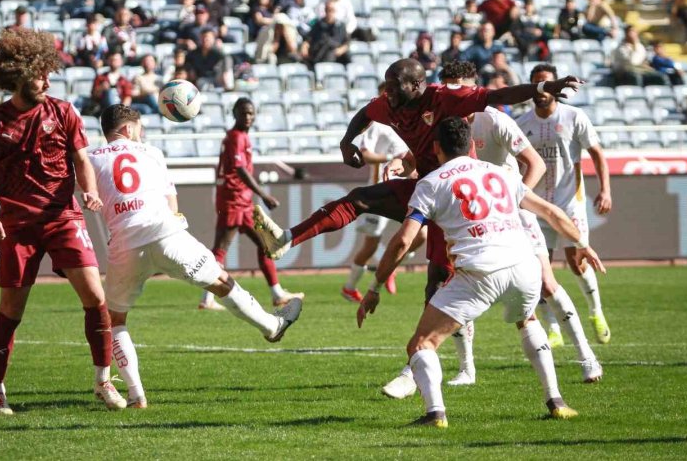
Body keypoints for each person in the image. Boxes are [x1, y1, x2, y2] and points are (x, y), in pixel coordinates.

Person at [252, 59, 583, 323]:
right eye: (387, 86)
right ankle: (287, 239)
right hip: (427, 189)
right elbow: (364, 114)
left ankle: (430, 358)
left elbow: (500, 95)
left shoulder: (443, 97)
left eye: (395, 86)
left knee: (437, 280)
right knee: (359, 198)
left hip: (456, 196)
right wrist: (345, 142)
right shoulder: (389, 105)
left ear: (417, 85)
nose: (389, 92)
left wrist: (544, 87)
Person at [358, 117, 605, 427]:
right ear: (472, 144)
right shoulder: (499, 174)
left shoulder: (431, 182)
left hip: (479, 273)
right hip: (524, 266)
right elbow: (550, 212)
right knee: (527, 320)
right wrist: (581, 243)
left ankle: (435, 413)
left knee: (421, 345)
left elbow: (403, 240)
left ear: (436, 148)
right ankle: (555, 399)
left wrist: (376, 286)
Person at [88, 105, 303, 405]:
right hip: (166, 234)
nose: (142, 133)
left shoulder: (88, 158)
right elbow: (171, 201)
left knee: (116, 319)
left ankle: (137, 394)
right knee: (221, 281)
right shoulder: (151, 153)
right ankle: (271, 326)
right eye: (139, 127)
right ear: (127, 129)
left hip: (124, 244)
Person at [0, 29, 125, 415]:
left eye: (48, 72)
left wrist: (89, 191)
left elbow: (82, 161)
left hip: (63, 218)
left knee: (96, 298)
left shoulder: (63, 112)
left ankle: (103, 382)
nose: (47, 80)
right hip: (19, 227)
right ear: (19, 74)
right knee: (10, 311)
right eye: (41, 73)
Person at [517, 63, 612, 344]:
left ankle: (596, 311)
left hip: (570, 202)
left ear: (556, 86)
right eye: (537, 84)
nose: (542, 89)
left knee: (576, 260)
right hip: (536, 206)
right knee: (537, 268)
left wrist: (605, 190)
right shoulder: (522, 124)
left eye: (547, 83)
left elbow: (596, 153)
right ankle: (553, 328)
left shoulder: (574, 117)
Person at [198, 98, 306, 310]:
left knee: (266, 244)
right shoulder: (236, 137)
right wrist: (264, 195)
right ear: (235, 114)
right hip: (233, 200)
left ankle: (277, 293)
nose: (247, 117)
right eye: (243, 113)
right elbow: (240, 169)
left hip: (241, 201)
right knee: (221, 249)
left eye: (251, 113)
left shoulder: (239, 136)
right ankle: (207, 298)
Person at [342, 84, 411, 303]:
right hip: (380, 190)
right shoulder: (376, 125)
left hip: (399, 187)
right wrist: (390, 158)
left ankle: (389, 267)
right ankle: (351, 287)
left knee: (420, 232)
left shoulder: (398, 124)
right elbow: (366, 155)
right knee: (370, 244)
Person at [301, 0, 349, 67]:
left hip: (334, 54)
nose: (330, 12)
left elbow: (347, 43)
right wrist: (304, 46)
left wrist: (341, 50)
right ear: (325, 11)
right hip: (317, 54)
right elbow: (308, 39)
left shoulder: (340, 26)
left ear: (335, 11)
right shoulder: (318, 24)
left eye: (332, 10)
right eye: (328, 10)